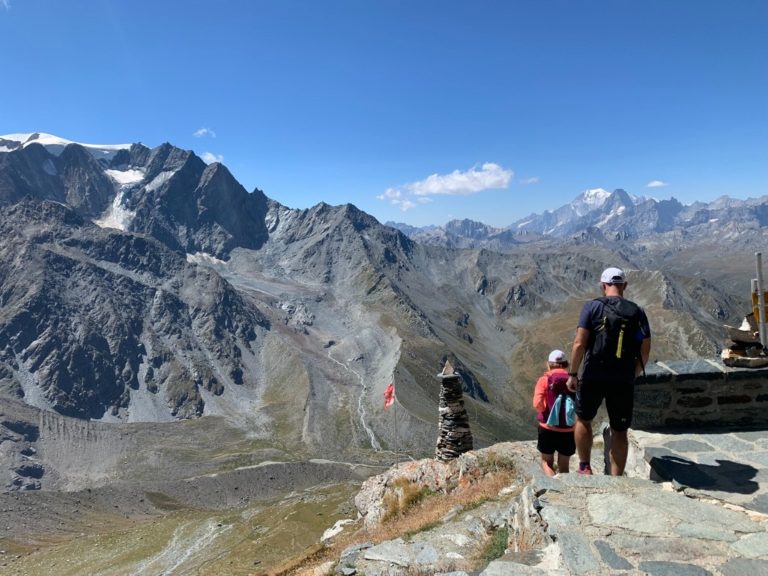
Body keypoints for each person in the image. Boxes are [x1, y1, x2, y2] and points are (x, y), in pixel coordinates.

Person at [566, 267, 651, 476]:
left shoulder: (592, 307)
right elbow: (645, 348)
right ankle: (616, 477)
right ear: (625, 286)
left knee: (584, 419)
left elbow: (579, 344)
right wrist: (634, 373)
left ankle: (585, 467)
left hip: (593, 374)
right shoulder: (637, 311)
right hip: (622, 378)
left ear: (603, 286)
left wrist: (573, 374)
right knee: (619, 430)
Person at [533, 349, 576, 476]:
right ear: (566, 364)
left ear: (549, 364)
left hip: (547, 428)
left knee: (546, 462)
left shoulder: (544, 380)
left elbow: (537, 404)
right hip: (568, 430)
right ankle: (564, 492)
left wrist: (546, 412)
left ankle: (552, 490)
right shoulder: (573, 380)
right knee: (564, 466)